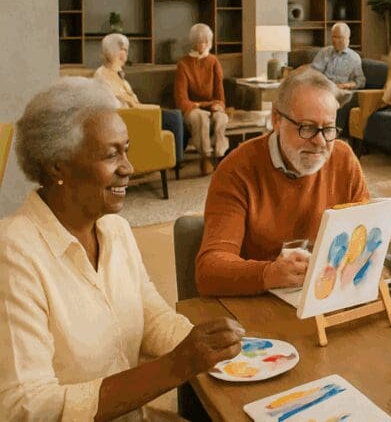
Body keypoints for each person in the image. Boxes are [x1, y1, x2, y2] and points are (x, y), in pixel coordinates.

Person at [0, 77, 243, 421]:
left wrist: (217, 345)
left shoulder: (116, 229)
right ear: (58, 165)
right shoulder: (13, 253)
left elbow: (151, 318)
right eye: (111, 154)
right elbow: (26, 407)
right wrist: (177, 366)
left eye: (126, 149)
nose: (129, 168)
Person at [195, 68, 371, 297]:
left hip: (326, 296)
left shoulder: (343, 158)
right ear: (276, 120)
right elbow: (208, 271)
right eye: (307, 127)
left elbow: (366, 236)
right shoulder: (236, 170)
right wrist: (269, 274)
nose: (320, 141)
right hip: (261, 302)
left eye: (328, 128)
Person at [94, 33, 185, 168]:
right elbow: (120, 104)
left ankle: (175, 159)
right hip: (131, 118)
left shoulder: (116, 72)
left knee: (175, 116)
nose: (126, 54)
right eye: (124, 50)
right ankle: (176, 162)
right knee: (174, 117)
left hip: (137, 113)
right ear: (116, 52)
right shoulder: (103, 76)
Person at [174, 23, 228, 175]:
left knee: (221, 118)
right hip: (191, 109)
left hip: (209, 106)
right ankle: (206, 156)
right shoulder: (183, 64)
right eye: (199, 42)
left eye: (205, 41)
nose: (203, 45)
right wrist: (201, 105)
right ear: (193, 43)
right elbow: (181, 100)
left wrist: (217, 105)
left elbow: (220, 97)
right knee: (201, 117)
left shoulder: (213, 61)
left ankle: (219, 156)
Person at [311, 22, 365, 91]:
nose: (334, 40)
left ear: (347, 38)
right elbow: (313, 73)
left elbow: (361, 81)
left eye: (338, 37)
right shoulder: (324, 52)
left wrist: (344, 85)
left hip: (341, 91)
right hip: (323, 89)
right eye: (333, 36)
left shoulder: (354, 58)